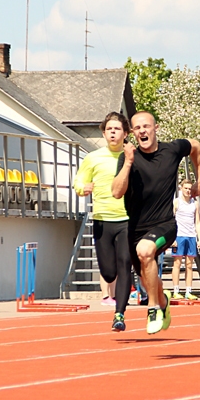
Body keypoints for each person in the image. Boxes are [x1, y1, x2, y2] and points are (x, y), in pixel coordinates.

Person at [112, 111, 200, 334]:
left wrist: (199, 179)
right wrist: (128, 163)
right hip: (136, 228)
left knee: (146, 251)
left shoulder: (171, 150)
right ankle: (163, 301)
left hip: (165, 224)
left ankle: (153, 308)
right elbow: (116, 192)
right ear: (132, 133)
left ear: (156, 128)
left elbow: (196, 147)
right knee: (146, 276)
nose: (142, 131)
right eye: (137, 128)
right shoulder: (127, 158)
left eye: (146, 126)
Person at [74, 112, 133, 332]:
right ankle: (114, 291)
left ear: (125, 133)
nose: (113, 133)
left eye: (117, 129)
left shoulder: (131, 156)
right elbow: (79, 179)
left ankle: (120, 314)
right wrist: (83, 188)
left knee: (125, 264)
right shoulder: (93, 158)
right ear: (104, 132)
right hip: (102, 220)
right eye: (109, 129)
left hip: (127, 220)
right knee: (109, 272)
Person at [172, 179, 200, 300]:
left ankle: (189, 290)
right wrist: (172, 238)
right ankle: (176, 290)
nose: (188, 191)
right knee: (177, 263)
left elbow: (197, 222)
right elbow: (171, 221)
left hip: (191, 236)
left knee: (189, 264)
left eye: (190, 189)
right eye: (186, 188)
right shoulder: (176, 202)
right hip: (179, 235)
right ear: (181, 188)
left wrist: (199, 238)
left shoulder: (195, 203)